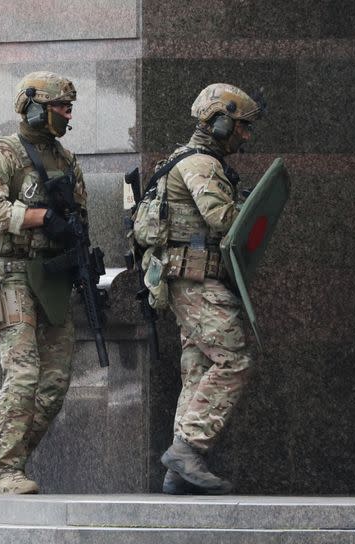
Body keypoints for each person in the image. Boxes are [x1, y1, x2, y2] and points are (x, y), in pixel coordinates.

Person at [0, 71, 86, 495]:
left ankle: (6, 460)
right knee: (23, 374)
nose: (68, 114)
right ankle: (5, 472)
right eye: (61, 106)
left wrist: (81, 258)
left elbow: (79, 218)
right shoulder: (2, 155)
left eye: (69, 107)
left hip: (53, 277)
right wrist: (38, 217)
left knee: (54, 384)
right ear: (35, 107)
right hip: (12, 273)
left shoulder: (67, 161)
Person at [157, 83, 263, 494]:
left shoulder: (188, 160)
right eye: (241, 126)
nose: (245, 135)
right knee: (235, 358)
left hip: (193, 278)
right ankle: (187, 448)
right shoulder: (200, 164)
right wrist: (247, 210)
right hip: (195, 279)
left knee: (199, 370)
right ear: (218, 122)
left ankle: (180, 470)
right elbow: (222, 219)